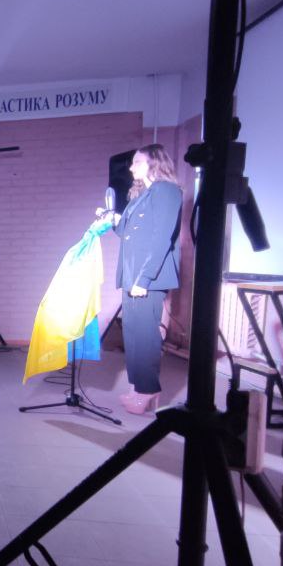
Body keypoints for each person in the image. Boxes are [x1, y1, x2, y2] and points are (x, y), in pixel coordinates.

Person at [105, 143, 183, 414]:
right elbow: (126, 233)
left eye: (137, 162)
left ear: (155, 163)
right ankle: (137, 386)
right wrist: (111, 219)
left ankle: (148, 390)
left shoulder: (166, 191)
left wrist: (144, 279)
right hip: (132, 275)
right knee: (133, 334)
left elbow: (162, 238)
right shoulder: (141, 195)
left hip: (148, 278)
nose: (131, 167)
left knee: (146, 335)